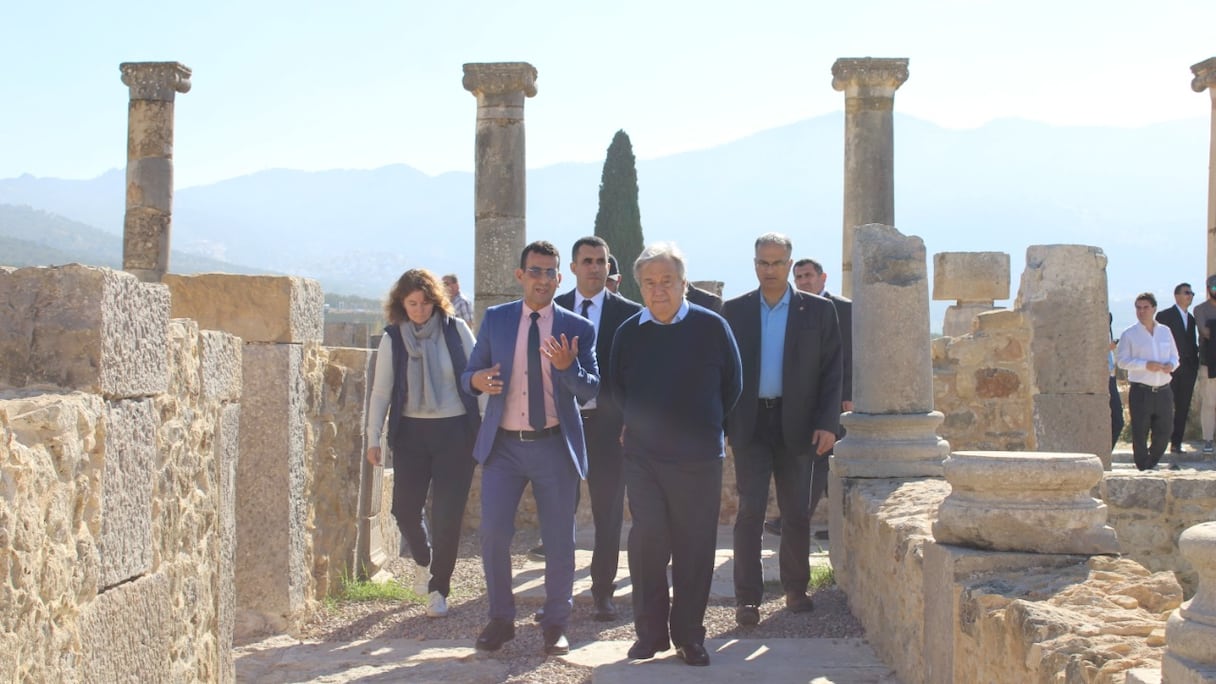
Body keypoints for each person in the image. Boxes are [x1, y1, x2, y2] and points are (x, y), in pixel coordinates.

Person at [460, 241, 599, 656]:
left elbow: (591, 388)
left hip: (555, 446)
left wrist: (566, 368)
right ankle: (501, 619)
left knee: (560, 541)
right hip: (503, 447)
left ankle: (556, 624)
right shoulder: (497, 320)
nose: (543, 279)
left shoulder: (578, 327)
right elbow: (469, 373)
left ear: (561, 277)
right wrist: (477, 380)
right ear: (520, 276)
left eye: (550, 272)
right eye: (535, 271)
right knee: (493, 535)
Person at [610, 242, 742, 667]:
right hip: (644, 458)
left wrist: (708, 427)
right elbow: (617, 389)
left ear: (683, 283)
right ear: (640, 287)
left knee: (694, 547)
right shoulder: (628, 332)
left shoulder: (712, 328)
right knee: (648, 542)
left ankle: (689, 635)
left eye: (667, 281)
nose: (658, 290)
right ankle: (649, 635)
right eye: (650, 282)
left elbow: (733, 385)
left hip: (699, 458)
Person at [723, 235, 843, 625]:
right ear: (754, 264)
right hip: (751, 423)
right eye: (763, 263)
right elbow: (722, 371)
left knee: (796, 512)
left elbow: (832, 371)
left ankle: (795, 589)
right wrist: (724, 421)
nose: (769, 270)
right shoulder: (735, 310)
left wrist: (828, 424)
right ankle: (747, 599)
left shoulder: (819, 311)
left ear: (789, 264)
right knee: (750, 511)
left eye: (776, 263)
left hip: (801, 425)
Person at [365, 268, 479, 619]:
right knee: (404, 509)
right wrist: (373, 437)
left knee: (447, 516)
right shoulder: (392, 339)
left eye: (425, 302)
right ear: (401, 304)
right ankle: (423, 559)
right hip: (411, 434)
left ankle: (439, 589)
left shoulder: (455, 330)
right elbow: (382, 391)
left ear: (436, 301)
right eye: (411, 303)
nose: (419, 310)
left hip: (455, 432)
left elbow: (478, 378)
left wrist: (489, 430)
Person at [554, 236, 642, 620]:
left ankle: (602, 592)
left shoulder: (630, 314)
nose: (594, 267)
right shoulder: (551, 311)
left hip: (610, 429)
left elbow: (638, 375)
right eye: (586, 260)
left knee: (608, 515)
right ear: (572, 268)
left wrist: (631, 422)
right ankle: (557, 594)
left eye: (600, 261)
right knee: (558, 512)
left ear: (609, 267)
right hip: (562, 427)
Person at [765, 257, 852, 540]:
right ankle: (815, 521)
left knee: (825, 461)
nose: (803, 281)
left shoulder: (844, 308)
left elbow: (848, 356)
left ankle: (795, 518)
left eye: (808, 276)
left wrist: (847, 396)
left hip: (836, 402)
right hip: (800, 403)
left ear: (823, 277)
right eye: (799, 277)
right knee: (820, 463)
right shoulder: (795, 308)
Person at [1116, 292, 1179, 471]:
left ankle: (1150, 464)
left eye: (1145, 307)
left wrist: (1171, 365)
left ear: (1154, 309)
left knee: (1164, 431)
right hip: (1141, 390)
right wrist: (1145, 365)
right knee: (1140, 431)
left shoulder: (1165, 331)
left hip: (1164, 390)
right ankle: (1144, 467)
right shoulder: (1129, 334)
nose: (1141, 311)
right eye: (1138, 308)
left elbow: (1175, 357)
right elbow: (1122, 361)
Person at [1156, 282, 1198, 459]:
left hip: (1188, 370)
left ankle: (1176, 443)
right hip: (1169, 369)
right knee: (1163, 406)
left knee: (1182, 407)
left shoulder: (1192, 319)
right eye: (1186, 292)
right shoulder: (1165, 316)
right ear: (1177, 296)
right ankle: (1158, 442)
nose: (1190, 295)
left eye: (1191, 293)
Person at [1194, 275, 1216, 456]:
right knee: (1209, 403)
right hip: (1208, 363)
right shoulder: (1200, 309)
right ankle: (1208, 439)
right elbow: (1205, 332)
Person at [1108, 313, 1125, 449]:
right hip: (1103, 377)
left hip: (1111, 376)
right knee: (1116, 420)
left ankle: (1105, 453)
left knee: (1117, 421)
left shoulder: (1107, 316)